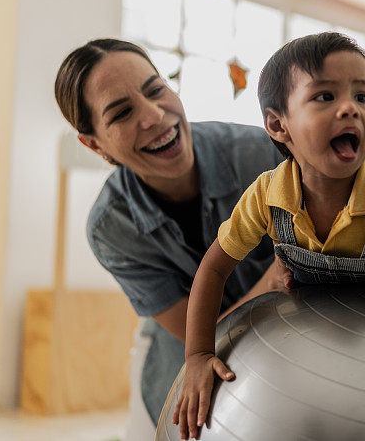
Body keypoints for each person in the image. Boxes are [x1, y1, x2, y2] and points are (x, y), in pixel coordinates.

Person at [171, 32, 365, 439]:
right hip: (309, 344)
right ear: (279, 125)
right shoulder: (267, 195)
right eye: (325, 96)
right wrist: (198, 355)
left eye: (363, 98)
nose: (350, 108)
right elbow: (213, 269)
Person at [54, 39, 287, 439]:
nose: (155, 116)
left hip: (290, 337)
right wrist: (273, 280)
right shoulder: (112, 227)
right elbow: (201, 334)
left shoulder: (263, 155)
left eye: (155, 89)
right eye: (122, 112)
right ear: (94, 144)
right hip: (183, 355)